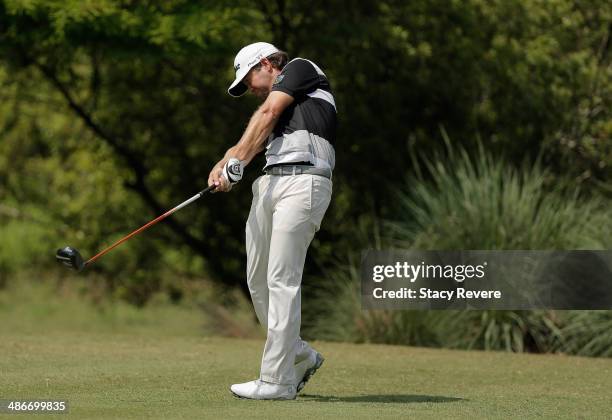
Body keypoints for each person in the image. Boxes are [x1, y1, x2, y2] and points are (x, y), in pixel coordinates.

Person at [207, 42, 337, 400]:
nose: (248, 87)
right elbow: (260, 126)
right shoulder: (279, 107)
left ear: (266, 63)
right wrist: (226, 162)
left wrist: (238, 161)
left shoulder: (301, 68)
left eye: (248, 77)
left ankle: (277, 381)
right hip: (270, 183)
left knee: (281, 279)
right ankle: (297, 353)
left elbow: (266, 112)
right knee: (258, 280)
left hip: (304, 181)